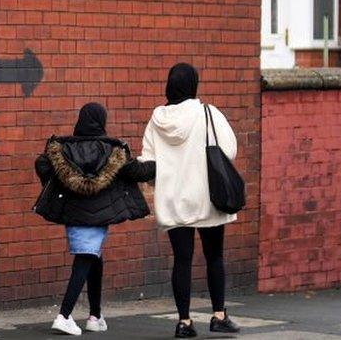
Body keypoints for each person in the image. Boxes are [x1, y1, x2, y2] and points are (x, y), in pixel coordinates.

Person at [34, 102, 155, 335]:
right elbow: (138, 172)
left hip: (73, 214)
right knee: (85, 259)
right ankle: (64, 315)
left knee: (93, 258)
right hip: (99, 216)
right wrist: (166, 163)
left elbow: (42, 164)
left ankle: (95, 315)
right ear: (102, 121)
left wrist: (56, 180)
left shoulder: (63, 149)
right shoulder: (112, 150)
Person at [139, 63, 242, 338]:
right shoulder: (207, 112)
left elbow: (148, 162)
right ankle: (219, 315)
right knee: (214, 256)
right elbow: (229, 149)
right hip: (208, 199)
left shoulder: (157, 120)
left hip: (174, 201)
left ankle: (184, 322)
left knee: (181, 261)